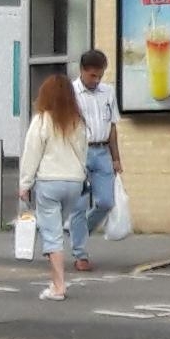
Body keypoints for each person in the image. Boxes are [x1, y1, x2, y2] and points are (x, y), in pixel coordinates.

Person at [21, 71, 91, 301]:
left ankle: (58, 286)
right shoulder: (77, 121)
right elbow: (83, 152)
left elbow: (32, 153)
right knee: (57, 230)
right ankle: (55, 279)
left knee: (52, 235)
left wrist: (25, 183)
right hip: (74, 181)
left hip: (49, 181)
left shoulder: (42, 120)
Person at [70, 47, 120, 264]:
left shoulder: (108, 92)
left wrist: (116, 158)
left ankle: (79, 231)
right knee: (79, 205)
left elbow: (113, 126)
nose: (96, 80)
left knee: (106, 202)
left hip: (102, 151)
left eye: (100, 75)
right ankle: (80, 253)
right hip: (79, 152)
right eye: (92, 75)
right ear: (82, 71)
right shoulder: (70, 93)